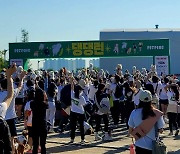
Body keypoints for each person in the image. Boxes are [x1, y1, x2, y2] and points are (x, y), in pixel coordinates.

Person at [0, 63, 17, 153]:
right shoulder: (1, 107)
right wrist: (9, 76)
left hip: (6, 119)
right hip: (9, 119)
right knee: (11, 141)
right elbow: (10, 95)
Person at [30, 88, 49, 154]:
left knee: (35, 145)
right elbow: (47, 102)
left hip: (35, 124)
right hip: (43, 124)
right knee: (43, 145)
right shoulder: (44, 104)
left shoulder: (32, 103)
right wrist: (45, 96)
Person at [69, 78, 87, 145]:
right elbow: (84, 105)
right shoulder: (81, 98)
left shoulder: (72, 94)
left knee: (73, 126)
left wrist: (72, 82)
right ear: (80, 91)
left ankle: (72, 139)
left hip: (73, 112)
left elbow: (71, 88)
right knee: (81, 126)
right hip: (80, 113)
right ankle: (82, 139)